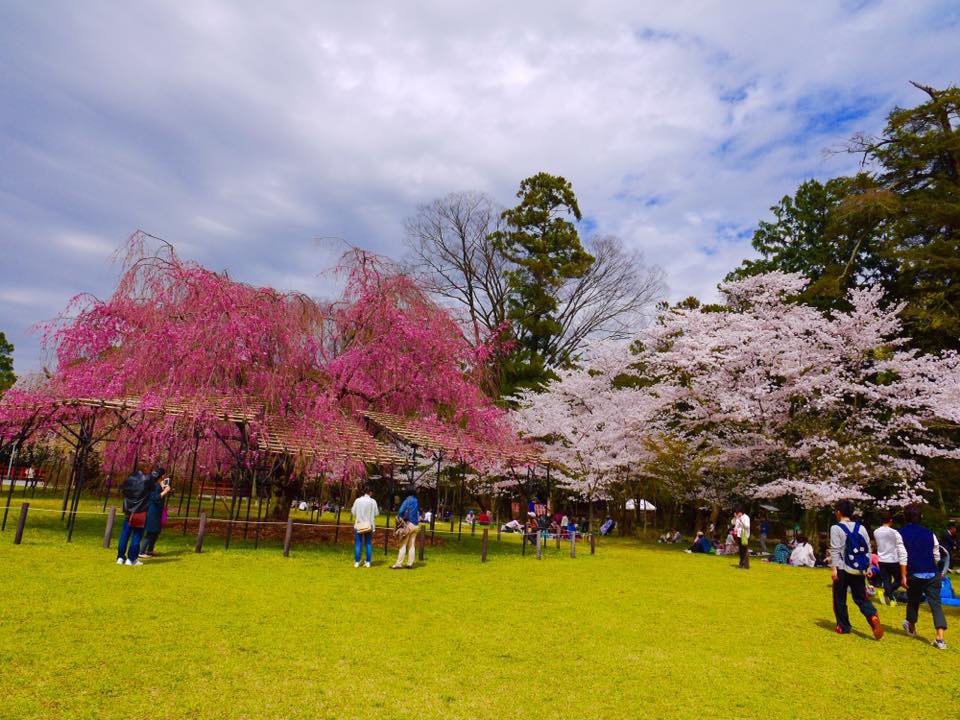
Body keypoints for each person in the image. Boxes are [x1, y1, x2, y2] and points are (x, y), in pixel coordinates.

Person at [830, 499, 883, 639]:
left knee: (839, 599)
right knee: (861, 598)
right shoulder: (861, 528)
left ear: (839, 512)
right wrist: (869, 566)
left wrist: (834, 569)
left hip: (842, 568)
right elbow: (867, 548)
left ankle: (844, 626)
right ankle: (872, 616)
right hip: (858, 569)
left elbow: (835, 550)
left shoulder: (836, 528)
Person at [899, 504, 948, 649]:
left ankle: (912, 627)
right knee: (936, 604)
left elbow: (903, 556)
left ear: (905, 517)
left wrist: (903, 575)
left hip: (914, 572)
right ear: (921, 517)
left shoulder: (901, 533)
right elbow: (937, 555)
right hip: (932, 573)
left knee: (913, 600)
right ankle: (940, 639)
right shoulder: (930, 533)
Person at [116, 467, 161, 566]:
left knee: (124, 535)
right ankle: (131, 559)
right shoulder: (147, 480)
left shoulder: (130, 480)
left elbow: (123, 491)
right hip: (140, 511)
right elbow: (152, 489)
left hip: (128, 510)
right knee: (136, 536)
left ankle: (120, 557)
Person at [873, 512, 908, 605]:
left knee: (886, 580)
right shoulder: (894, 532)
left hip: (882, 559)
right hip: (893, 559)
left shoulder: (876, 532)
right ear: (891, 521)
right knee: (899, 580)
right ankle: (889, 596)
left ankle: (890, 597)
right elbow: (900, 546)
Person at [140, 475, 172, 558]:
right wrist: (165, 491)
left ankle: (150, 550)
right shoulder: (154, 485)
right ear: (161, 476)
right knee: (151, 532)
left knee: (156, 532)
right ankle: (142, 551)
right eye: (164, 475)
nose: (165, 477)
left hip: (158, 511)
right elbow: (155, 498)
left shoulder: (159, 485)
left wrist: (164, 489)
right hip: (152, 511)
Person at [350, 485, 379, 568]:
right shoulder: (372, 501)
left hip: (358, 524)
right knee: (368, 543)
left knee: (358, 543)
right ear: (370, 492)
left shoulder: (357, 500)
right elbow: (376, 513)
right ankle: (368, 562)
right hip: (368, 525)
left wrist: (359, 515)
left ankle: (357, 561)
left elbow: (353, 512)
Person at [391, 489, 420, 569]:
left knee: (403, 544)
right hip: (416, 525)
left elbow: (401, 511)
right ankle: (410, 564)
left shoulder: (407, 500)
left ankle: (398, 564)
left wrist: (399, 517)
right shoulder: (416, 501)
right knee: (412, 545)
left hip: (408, 525)